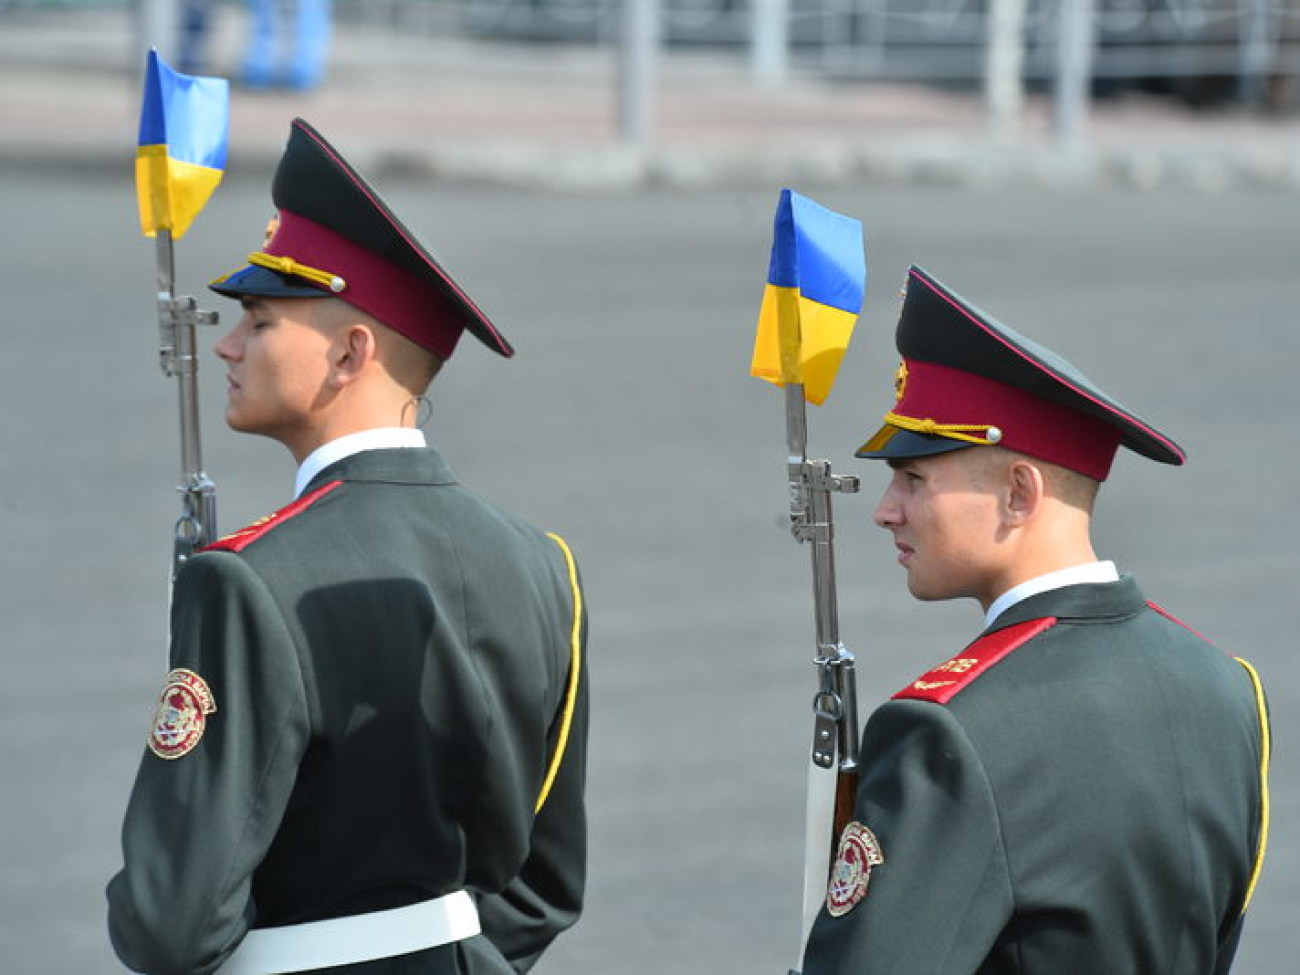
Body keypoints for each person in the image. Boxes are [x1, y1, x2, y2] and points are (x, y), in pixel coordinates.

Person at [107, 117, 588, 975]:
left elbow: (168, 919)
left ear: (348, 353)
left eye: (258, 319)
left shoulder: (248, 578)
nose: (226, 342)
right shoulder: (543, 562)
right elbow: (544, 885)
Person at [801, 265, 1270, 974]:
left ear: (1020, 492)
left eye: (915, 476)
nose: (885, 507)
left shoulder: (948, 730)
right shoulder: (1228, 688)